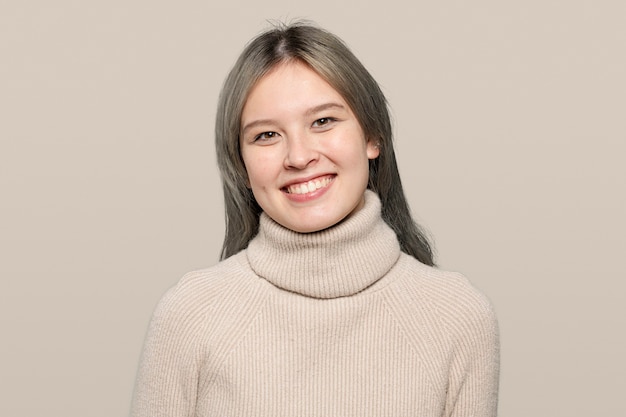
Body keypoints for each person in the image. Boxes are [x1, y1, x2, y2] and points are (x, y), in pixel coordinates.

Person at [131, 21, 499, 417]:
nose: (299, 156)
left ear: (372, 136)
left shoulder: (457, 316)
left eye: (323, 121)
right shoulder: (190, 315)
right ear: (242, 165)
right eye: (266, 135)